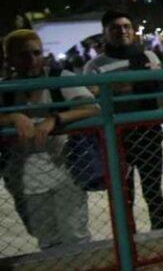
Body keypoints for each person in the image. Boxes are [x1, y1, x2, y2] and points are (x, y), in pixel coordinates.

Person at [0, 30, 98, 249]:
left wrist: (55, 119)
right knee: (46, 238)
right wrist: (13, 117)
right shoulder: (5, 87)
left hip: (65, 166)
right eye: (24, 55)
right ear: (9, 59)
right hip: (22, 175)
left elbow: (92, 107)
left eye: (37, 53)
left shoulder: (58, 78)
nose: (32, 60)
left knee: (75, 234)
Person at [84, 11, 163, 231]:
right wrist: (135, 84)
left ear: (132, 30)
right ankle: (128, 243)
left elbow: (161, 90)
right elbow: (91, 99)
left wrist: (115, 88)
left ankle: (161, 235)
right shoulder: (94, 65)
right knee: (124, 195)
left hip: (148, 133)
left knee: (154, 192)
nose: (122, 31)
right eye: (115, 27)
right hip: (116, 138)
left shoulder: (149, 56)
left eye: (126, 26)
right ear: (104, 33)